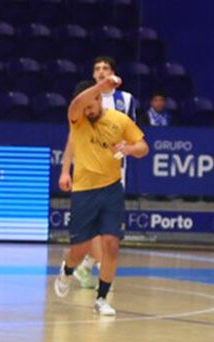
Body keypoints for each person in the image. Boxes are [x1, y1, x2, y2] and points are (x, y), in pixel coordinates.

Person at [54, 77, 148, 315]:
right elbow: (75, 105)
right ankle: (67, 270)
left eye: (91, 105)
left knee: (112, 244)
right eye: (84, 105)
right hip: (84, 191)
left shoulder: (119, 120)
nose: (87, 110)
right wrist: (100, 85)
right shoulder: (78, 119)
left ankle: (102, 298)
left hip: (111, 189)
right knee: (80, 250)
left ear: (99, 100)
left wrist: (128, 149)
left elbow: (143, 147)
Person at [60, 56, 136, 289]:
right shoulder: (85, 98)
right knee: (91, 227)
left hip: (114, 170)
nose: (102, 72)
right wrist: (65, 169)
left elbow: (132, 133)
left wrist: (128, 149)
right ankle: (89, 265)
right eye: (97, 68)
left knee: (109, 232)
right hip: (87, 170)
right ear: (93, 75)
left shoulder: (125, 100)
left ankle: (90, 265)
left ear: (113, 72)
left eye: (106, 68)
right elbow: (73, 137)